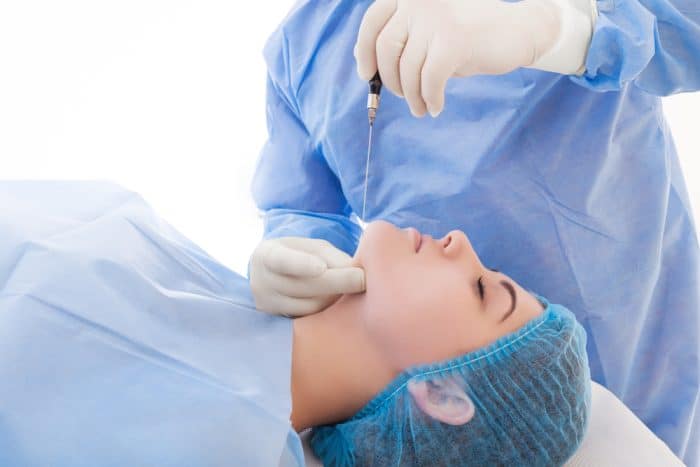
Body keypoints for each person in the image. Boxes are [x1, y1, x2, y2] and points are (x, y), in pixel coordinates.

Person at [248, 1, 700, 463]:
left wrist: (554, 29)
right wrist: (298, 251)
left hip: (650, 345)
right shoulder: (306, 45)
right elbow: (304, 210)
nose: (458, 238)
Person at [0, 181, 591, 466]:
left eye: (485, 290)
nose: (461, 241)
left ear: (442, 393)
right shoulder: (212, 289)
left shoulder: (219, 446)